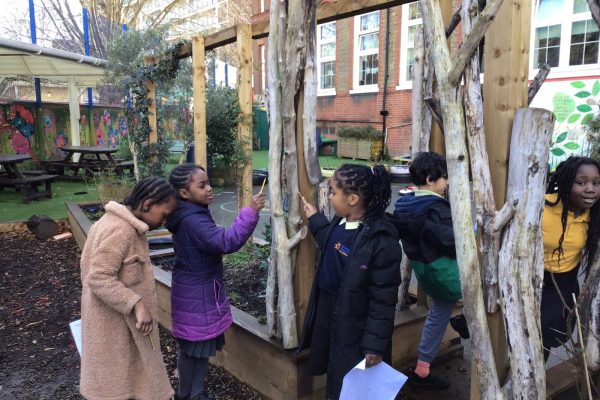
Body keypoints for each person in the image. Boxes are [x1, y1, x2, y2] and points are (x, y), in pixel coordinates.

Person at [298, 163, 401, 400]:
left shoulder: (381, 241)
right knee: (334, 366)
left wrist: (374, 345)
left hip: (355, 323)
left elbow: (383, 300)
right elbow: (332, 244)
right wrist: (315, 218)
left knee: (350, 377)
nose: (330, 196)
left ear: (353, 199)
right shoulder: (340, 222)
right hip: (330, 310)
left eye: (333, 192)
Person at [165, 163, 265, 400]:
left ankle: (193, 394)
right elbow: (227, 241)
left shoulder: (190, 212)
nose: (209, 188)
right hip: (197, 296)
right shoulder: (194, 221)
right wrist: (250, 212)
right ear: (184, 192)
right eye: (202, 186)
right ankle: (189, 395)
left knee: (196, 350)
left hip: (194, 292)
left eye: (208, 183)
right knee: (194, 350)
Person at [80, 177, 178, 400]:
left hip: (119, 323)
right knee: (118, 387)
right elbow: (98, 277)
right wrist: (136, 304)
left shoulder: (117, 224)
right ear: (147, 204)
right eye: (164, 214)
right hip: (113, 327)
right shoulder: (121, 231)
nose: (165, 222)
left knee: (131, 380)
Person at [393, 151, 463, 389]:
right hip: (446, 273)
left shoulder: (405, 203)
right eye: (444, 177)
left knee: (439, 312)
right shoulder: (436, 209)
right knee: (484, 296)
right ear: (431, 179)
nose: (447, 182)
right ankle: (463, 322)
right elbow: (453, 243)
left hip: (425, 272)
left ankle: (422, 368)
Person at [541, 156, 600, 361]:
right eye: (581, 183)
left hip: (566, 283)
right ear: (566, 183)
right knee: (533, 332)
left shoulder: (594, 214)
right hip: (535, 279)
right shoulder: (542, 207)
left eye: (596, 183)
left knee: (552, 335)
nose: (590, 189)